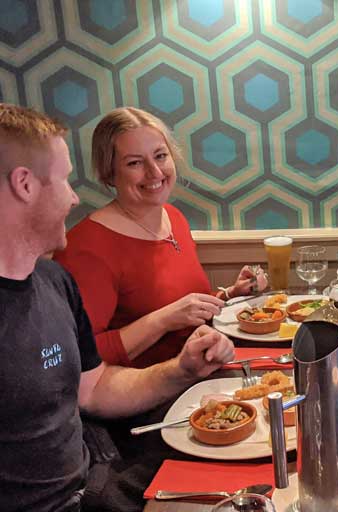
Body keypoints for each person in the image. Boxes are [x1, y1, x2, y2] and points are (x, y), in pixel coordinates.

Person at [0, 104, 237, 511]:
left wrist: (182, 370)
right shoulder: (86, 250)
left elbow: (93, 389)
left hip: (98, 482)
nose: (75, 198)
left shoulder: (53, 283)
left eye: (160, 156)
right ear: (24, 184)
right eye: (65, 179)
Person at [53, 107, 265, 368]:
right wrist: (163, 320)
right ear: (109, 173)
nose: (154, 172)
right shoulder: (86, 248)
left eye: (160, 156)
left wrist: (229, 294)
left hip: (200, 372)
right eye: (134, 163)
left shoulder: (173, 217)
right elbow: (77, 355)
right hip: (143, 397)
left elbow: (178, 306)